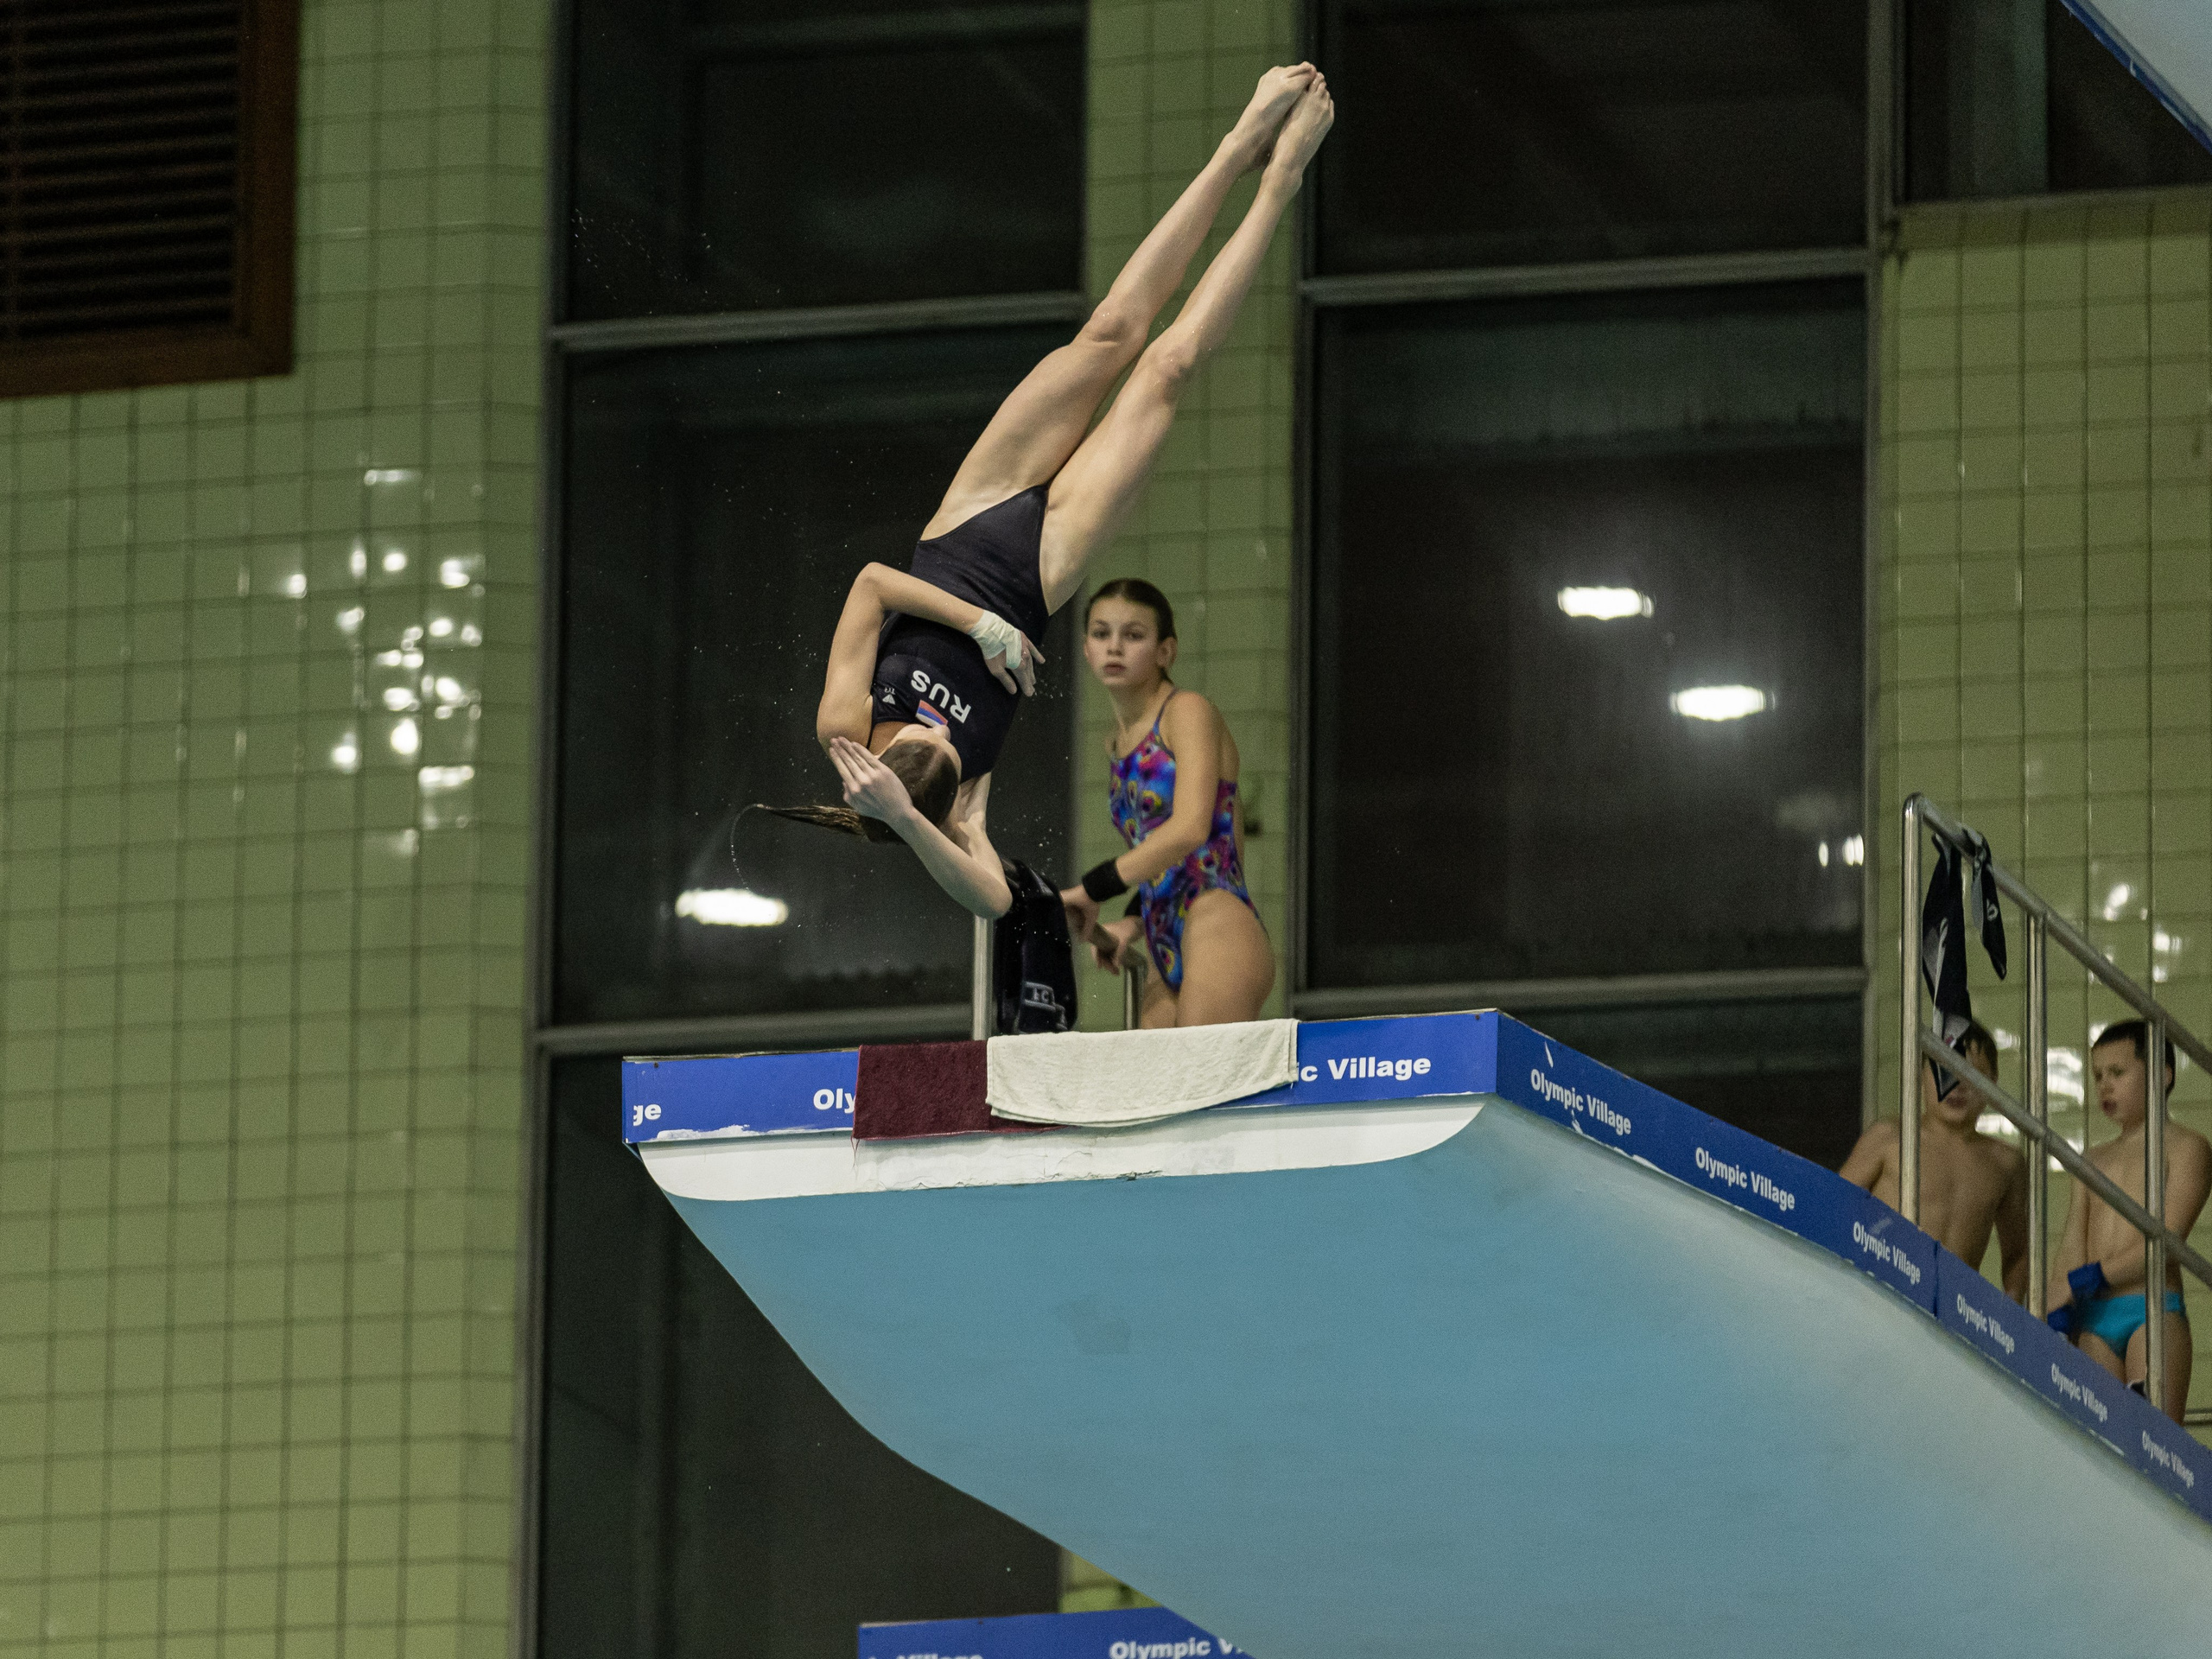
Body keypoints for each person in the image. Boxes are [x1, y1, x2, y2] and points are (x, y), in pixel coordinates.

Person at [774, 67, 1336, 919]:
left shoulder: (845, 729)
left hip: (965, 521)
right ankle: (1282, 178)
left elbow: (871, 582)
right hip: (1041, 569)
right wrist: (911, 823)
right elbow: (996, 903)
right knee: (1168, 368)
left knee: (1111, 332)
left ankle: (1238, 144)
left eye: (917, 735)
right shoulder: (953, 806)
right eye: (943, 742)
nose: (933, 727)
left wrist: (974, 624)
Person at [1059, 580, 1273, 1027]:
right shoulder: (1115, 745)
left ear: (1166, 652)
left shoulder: (1186, 711)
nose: (1114, 646)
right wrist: (1131, 923)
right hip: (1162, 937)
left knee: (1203, 1089)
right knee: (1154, 1092)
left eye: (1133, 635)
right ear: (1085, 648)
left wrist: (1093, 889)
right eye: (1101, 633)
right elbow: (1163, 856)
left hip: (1216, 920)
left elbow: (1193, 829)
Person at [2044, 1019, 2212, 1421]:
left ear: (2162, 1075)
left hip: (2151, 1309)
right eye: (2098, 1075)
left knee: (2151, 1448)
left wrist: (2086, 1279)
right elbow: (2073, 1243)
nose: (2104, 1085)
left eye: (2117, 1073)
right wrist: (2053, 1310)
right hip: (2093, 1319)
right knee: (2098, 1451)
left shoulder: (2188, 1147)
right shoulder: (2092, 1159)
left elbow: (2166, 1238)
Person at [1840, 1020, 2029, 1300]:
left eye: (1971, 1074)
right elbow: (1835, 1207)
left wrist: (2006, 1323)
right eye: (1944, 1070)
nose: (1957, 1085)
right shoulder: (1890, 1138)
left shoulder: (2005, 1163)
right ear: (1920, 1076)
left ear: (1993, 1085)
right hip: (1881, 1295)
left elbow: (2018, 1253)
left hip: (1953, 1313)